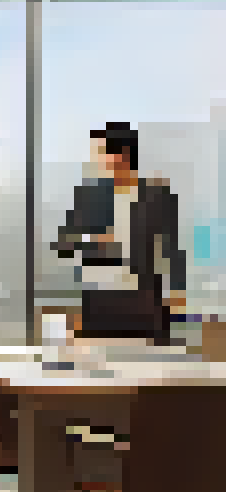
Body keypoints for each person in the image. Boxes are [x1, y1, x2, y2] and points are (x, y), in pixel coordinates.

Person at [55, 122, 184, 342]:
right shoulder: (89, 197)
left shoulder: (157, 196)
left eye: (101, 153)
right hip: (99, 310)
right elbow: (63, 245)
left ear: (122, 154)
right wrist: (92, 240)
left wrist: (176, 296)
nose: (97, 161)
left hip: (144, 311)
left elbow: (172, 251)